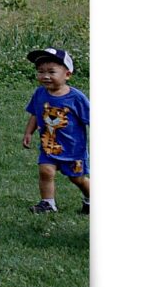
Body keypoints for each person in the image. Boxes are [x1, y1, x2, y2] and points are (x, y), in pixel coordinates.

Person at [23, 45, 91, 214]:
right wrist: (28, 133)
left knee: (77, 179)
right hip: (49, 146)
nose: (45, 76)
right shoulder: (40, 94)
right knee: (45, 171)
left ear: (67, 74)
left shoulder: (76, 98)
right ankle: (48, 204)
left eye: (51, 72)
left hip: (73, 150)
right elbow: (35, 114)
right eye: (40, 71)